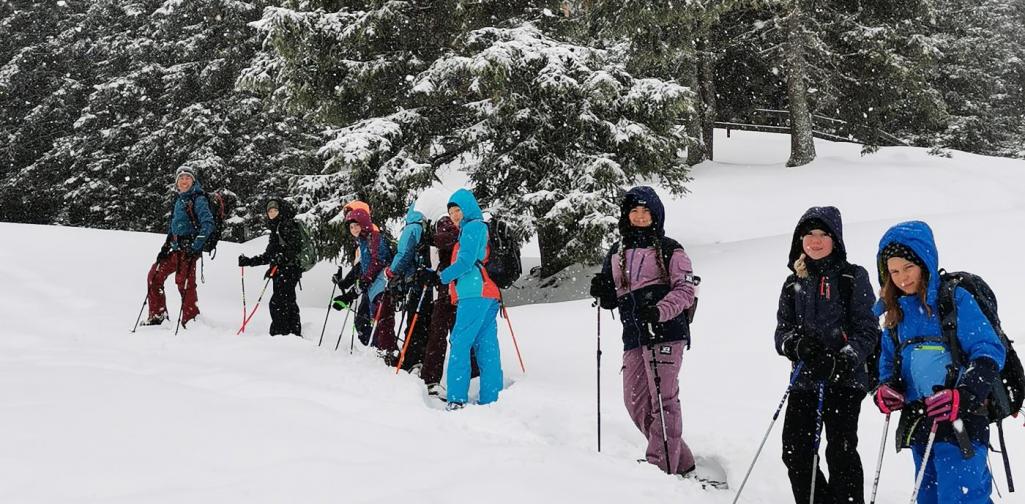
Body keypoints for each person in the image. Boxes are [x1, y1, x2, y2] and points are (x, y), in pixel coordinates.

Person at [874, 221, 1005, 504]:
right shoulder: (896, 313)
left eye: (909, 268)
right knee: (929, 497)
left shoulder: (953, 299)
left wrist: (966, 394)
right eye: (894, 271)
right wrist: (887, 389)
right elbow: (888, 361)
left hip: (962, 421)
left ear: (925, 263)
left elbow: (988, 349)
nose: (902, 278)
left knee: (961, 497)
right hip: (921, 421)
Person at [589, 186, 698, 476]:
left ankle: (660, 467)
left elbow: (686, 290)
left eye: (645, 211)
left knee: (663, 400)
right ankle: (681, 459)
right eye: (634, 211)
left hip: (666, 332)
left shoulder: (670, 248)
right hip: (634, 335)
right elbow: (612, 294)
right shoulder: (616, 251)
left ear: (656, 214)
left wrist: (659, 311)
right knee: (635, 400)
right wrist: (602, 292)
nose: (639, 216)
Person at [773, 207, 879, 504]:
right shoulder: (793, 282)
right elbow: (781, 332)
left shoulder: (852, 277)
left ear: (836, 239)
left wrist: (843, 359)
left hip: (845, 380)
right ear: (800, 239)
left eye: (823, 235)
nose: (816, 241)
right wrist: (797, 346)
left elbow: (868, 329)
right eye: (809, 234)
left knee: (840, 451)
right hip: (805, 379)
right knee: (795, 451)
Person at [422, 188, 503, 410]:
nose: (455, 215)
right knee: (486, 346)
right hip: (488, 293)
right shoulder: (479, 228)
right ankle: (492, 397)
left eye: (458, 210)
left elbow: (466, 262)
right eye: (451, 212)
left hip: (473, 293)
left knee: (460, 343)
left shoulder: (472, 227)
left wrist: (443, 275)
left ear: (468, 208)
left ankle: (456, 398)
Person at [143, 166, 215, 327]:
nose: (184, 181)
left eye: (187, 178)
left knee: (184, 283)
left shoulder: (198, 199)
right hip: (175, 249)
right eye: (181, 178)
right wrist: (165, 247)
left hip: (189, 250)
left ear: (193, 181)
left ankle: (191, 320)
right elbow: (174, 226)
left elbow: (208, 224)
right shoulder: (179, 199)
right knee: (154, 276)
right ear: (177, 182)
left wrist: (195, 246)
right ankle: (157, 315)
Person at [335, 208, 398, 363]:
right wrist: (348, 286)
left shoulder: (374, 237)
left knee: (383, 322)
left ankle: (390, 355)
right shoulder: (363, 241)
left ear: (363, 223)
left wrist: (362, 284)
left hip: (383, 285)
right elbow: (363, 267)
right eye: (351, 227)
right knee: (376, 323)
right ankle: (383, 352)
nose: (354, 229)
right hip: (374, 288)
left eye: (356, 225)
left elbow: (378, 261)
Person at [238, 198, 304, 337]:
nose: (272, 213)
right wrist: (249, 261)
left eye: (275, 210)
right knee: (286, 302)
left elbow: (295, 247)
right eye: (270, 211)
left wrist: (282, 258)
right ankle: (291, 332)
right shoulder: (276, 229)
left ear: (280, 211)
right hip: (282, 271)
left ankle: (282, 333)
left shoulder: (286, 225)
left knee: (279, 303)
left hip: (289, 271)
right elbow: (269, 255)